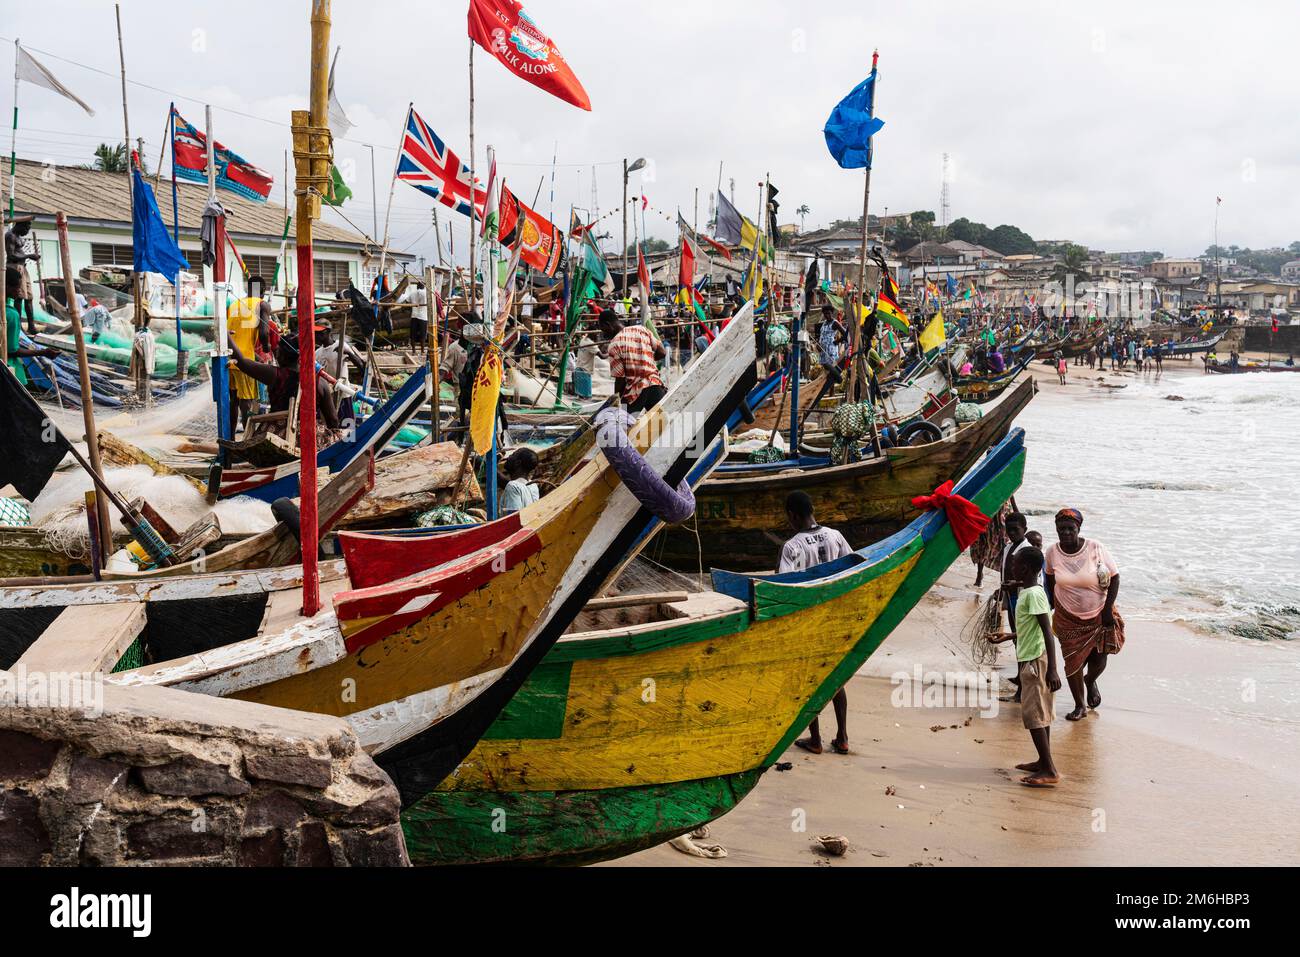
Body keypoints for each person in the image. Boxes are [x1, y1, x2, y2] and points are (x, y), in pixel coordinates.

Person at [782, 491, 854, 756]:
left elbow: (785, 588)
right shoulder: (835, 536)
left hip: (810, 621)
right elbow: (853, 567)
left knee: (810, 681)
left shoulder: (792, 547)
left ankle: (815, 739)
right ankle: (843, 736)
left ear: (792, 515)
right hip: (836, 618)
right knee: (836, 678)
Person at [987, 547, 1062, 787]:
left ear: (1027, 569)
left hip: (1035, 661)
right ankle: (1043, 761)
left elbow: (1047, 632)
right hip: (1031, 657)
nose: (1012, 567)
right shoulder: (1029, 592)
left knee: (1034, 715)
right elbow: (1030, 628)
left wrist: (1052, 669)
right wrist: (1008, 636)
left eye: (1016, 564)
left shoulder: (1033, 595)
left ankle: (1050, 770)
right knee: (1042, 713)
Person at [1044, 508, 1122, 722]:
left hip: (1099, 613)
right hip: (1067, 617)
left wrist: (1107, 610)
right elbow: (1049, 580)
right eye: (1062, 529)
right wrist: (1050, 606)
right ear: (1056, 530)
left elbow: (1114, 578)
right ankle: (1080, 705)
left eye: (1071, 529)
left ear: (1079, 528)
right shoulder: (1052, 552)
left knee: (1099, 658)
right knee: (1072, 662)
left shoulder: (1095, 547)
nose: (1066, 533)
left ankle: (1091, 680)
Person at [598, 308, 666, 413]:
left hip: (635, 392)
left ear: (608, 325)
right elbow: (662, 353)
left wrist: (616, 400)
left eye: (603, 330)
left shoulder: (614, 345)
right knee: (662, 424)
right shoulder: (641, 330)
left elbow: (620, 379)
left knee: (623, 426)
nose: (604, 334)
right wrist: (645, 361)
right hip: (655, 385)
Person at [4, 266, 60, 384]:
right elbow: (11, 351)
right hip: (7, 370)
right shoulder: (10, 314)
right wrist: (43, 352)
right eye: (17, 288)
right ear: (7, 287)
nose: (20, 291)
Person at [5, 216, 40, 334]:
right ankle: (18, 327)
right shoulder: (10, 236)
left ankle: (31, 326)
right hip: (14, 267)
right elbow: (11, 256)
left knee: (29, 298)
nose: (27, 232)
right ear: (20, 226)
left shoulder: (18, 237)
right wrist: (29, 256)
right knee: (18, 297)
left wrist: (28, 257)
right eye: (26, 229)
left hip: (23, 268)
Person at [500, 447, 540, 514]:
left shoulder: (513, 486)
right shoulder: (533, 485)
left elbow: (513, 518)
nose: (509, 456)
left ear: (517, 463)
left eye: (512, 455)